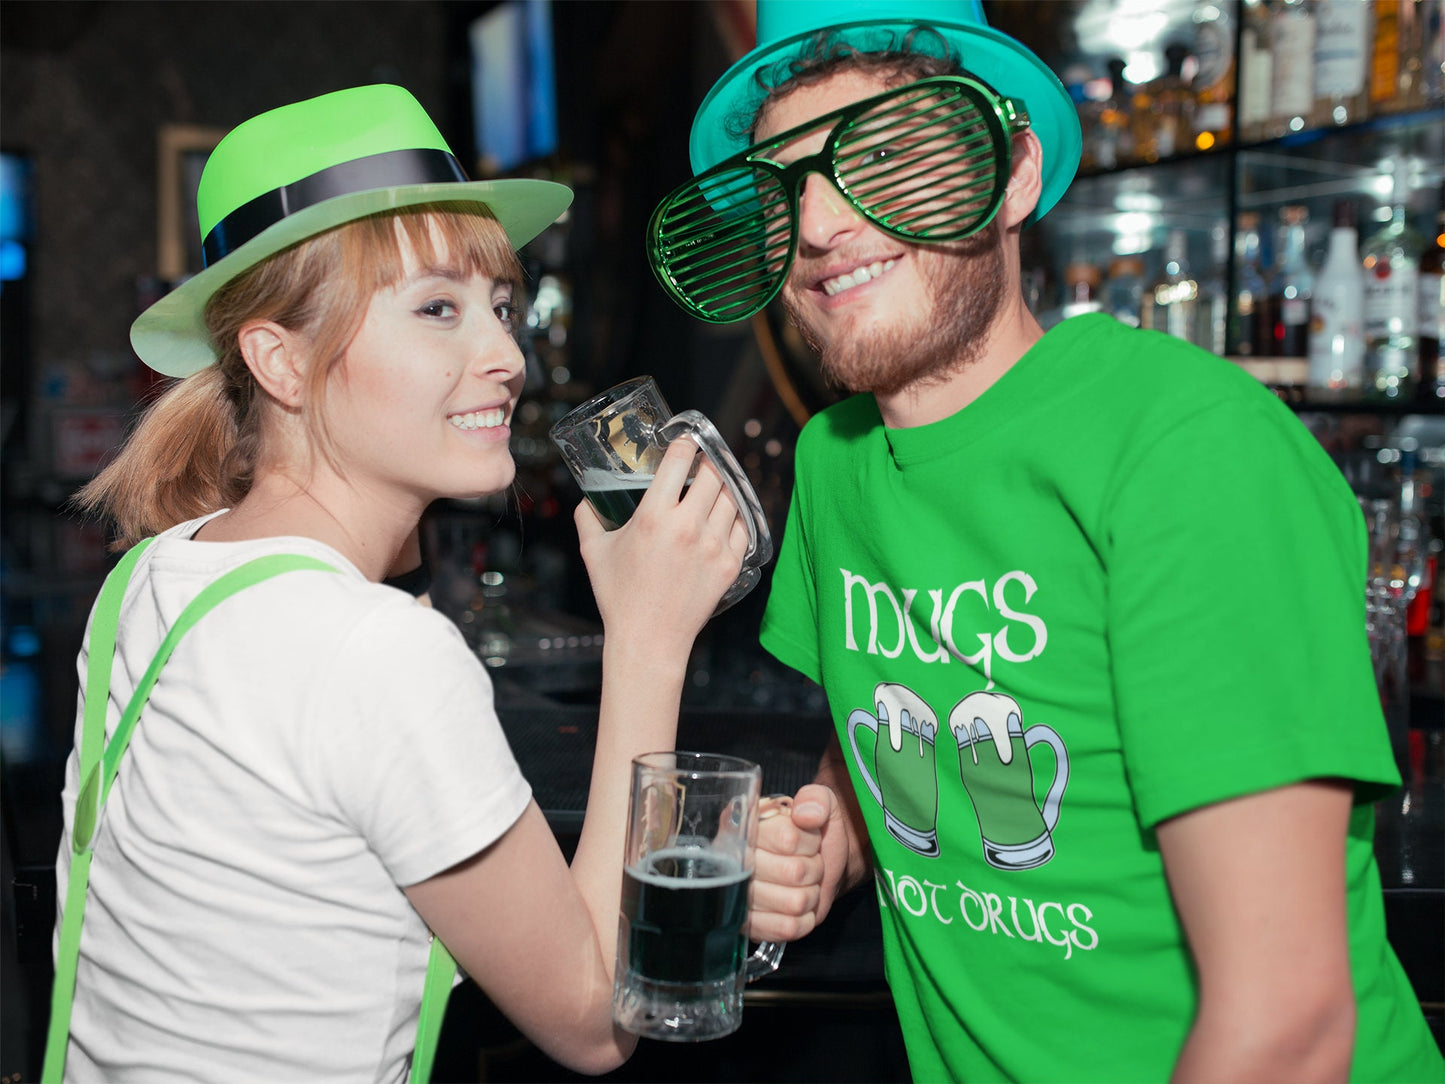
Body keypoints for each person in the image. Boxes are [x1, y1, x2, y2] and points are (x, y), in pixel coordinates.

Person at [645, 1, 1445, 1081]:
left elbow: (1284, 1029)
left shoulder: (1184, 448)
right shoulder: (836, 460)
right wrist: (823, 847)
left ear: (1012, 174)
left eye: (887, 160)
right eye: (782, 189)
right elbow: (885, 745)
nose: (823, 225)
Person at [51, 84, 748, 1082]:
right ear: (281, 363)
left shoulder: (153, 576)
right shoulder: (375, 653)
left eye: (500, 309)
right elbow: (598, 1021)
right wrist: (648, 634)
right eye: (437, 310)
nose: (505, 355)